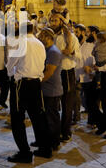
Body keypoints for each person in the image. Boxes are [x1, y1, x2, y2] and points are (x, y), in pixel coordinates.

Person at [6, 22, 52, 162]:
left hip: (22, 83)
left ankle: (24, 153)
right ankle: (45, 149)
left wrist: (10, 73)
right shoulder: (39, 44)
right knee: (38, 116)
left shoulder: (21, 42)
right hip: (36, 83)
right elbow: (43, 62)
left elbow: (11, 63)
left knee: (17, 118)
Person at [49, 13, 81, 142]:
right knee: (52, 104)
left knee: (67, 104)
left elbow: (79, 56)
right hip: (53, 72)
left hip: (66, 73)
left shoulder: (71, 37)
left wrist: (71, 52)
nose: (53, 23)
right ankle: (54, 131)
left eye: (55, 20)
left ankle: (66, 131)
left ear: (61, 22)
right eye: (51, 20)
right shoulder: (50, 36)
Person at [37, 28, 63, 152]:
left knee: (52, 118)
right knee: (46, 117)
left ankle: (54, 142)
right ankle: (45, 140)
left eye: (42, 36)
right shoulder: (46, 50)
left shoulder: (53, 52)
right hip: (46, 89)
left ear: (48, 37)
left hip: (52, 90)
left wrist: (37, 82)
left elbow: (49, 72)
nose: (39, 38)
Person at [76, 25, 101, 127]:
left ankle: (97, 121)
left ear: (94, 33)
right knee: (88, 101)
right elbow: (80, 58)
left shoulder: (98, 44)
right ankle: (92, 121)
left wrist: (91, 71)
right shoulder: (85, 44)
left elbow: (99, 61)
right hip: (84, 76)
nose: (85, 34)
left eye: (87, 32)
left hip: (93, 77)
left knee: (93, 102)